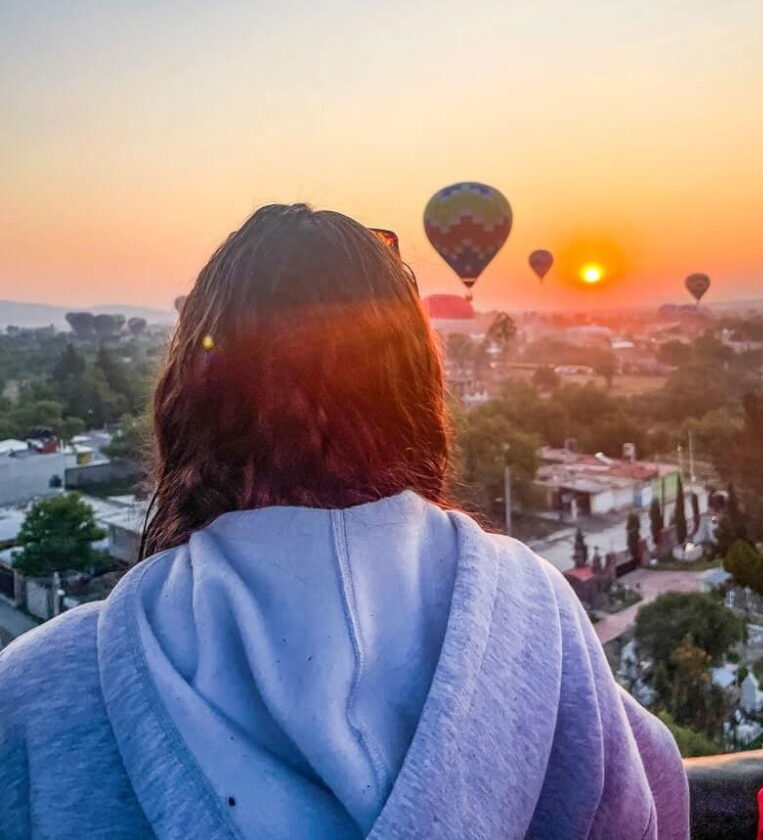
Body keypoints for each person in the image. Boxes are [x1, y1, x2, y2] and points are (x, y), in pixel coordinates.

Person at [0, 204, 689, 839]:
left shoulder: (42, 691)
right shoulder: (542, 624)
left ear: (188, 395)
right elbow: (654, 783)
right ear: (415, 389)